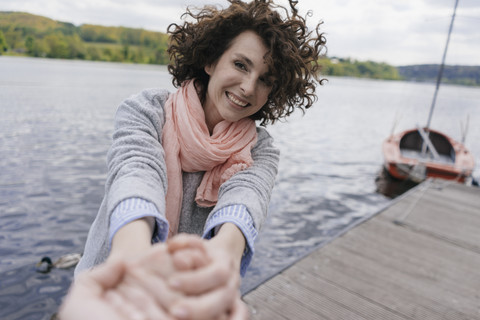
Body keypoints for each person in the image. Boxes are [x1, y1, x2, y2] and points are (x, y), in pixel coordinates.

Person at [64, 0, 325, 318]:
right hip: (109, 294)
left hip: (188, 305)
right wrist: (131, 256)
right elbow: (136, 170)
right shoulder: (147, 109)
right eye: (241, 65)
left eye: (265, 79)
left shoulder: (260, 148)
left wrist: (224, 259)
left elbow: (245, 201)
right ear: (211, 61)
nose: (247, 87)